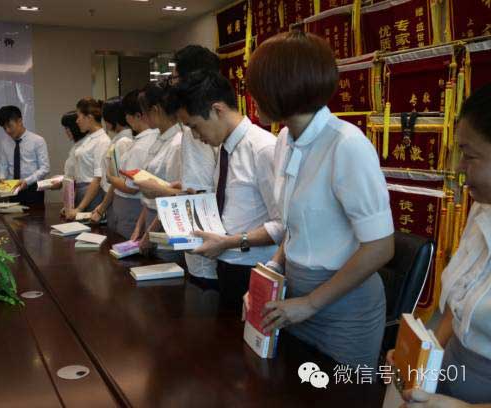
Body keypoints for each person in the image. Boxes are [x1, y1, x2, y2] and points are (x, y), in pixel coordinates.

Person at [247, 31, 394, 369]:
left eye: (257, 90)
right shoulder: (284, 139)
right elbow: (295, 228)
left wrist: (311, 303)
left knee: (341, 391)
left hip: (345, 309)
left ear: (283, 89)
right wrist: (271, 272)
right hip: (296, 299)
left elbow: (380, 247)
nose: (252, 99)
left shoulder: (346, 145)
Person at [388, 84, 491, 407]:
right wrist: (423, 356)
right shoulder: (482, 208)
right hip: (449, 372)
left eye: (469, 156)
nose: (459, 167)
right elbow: (457, 308)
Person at [174, 70, 280, 308]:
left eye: (195, 126)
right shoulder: (226, 148)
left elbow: (283, 226)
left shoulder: (263, 149)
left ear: (217, 110)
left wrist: (229, 242)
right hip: (226, 263)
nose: (196, 136)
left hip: (254, 267)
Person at [171, 45, 222, 289]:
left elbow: (199, 192)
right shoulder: (207, 119)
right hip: (211, 246)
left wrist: (162, 191)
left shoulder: (197, 128)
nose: (173, 85)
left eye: (175, 78)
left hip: (206, 247)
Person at [131, 83, 183, 254]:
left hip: (165, 220)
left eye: (144, 113)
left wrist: (149, 233)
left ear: (155, 110)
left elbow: (173, 198)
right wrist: (140, 225)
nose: (143, 118)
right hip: (151, 215)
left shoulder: (177, 143)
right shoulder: (158, 138)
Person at [107, 89, 159, 239]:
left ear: (138, 115)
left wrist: (110, 178)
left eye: (127, 115)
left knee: (127, 242)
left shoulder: (142, 145)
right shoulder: (143, 140)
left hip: (132, 205)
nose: (126, 119)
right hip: (134, 205)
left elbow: (131, 187)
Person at [62, 98, 111, 221]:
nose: (77, 121)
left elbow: (98, 179)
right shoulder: (89, 138)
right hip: (82, 193)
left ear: (89, 117)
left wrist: (79, 208)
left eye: (79, 117)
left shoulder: (102, 141)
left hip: (92, 195)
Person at [90, 97, 134, 228]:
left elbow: (117, 181)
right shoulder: (118, 140)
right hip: (112, 196)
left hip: (117, 197)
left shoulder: (123, 142)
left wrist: (101, 208)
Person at [0, 105, 50, 206]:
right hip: (13, 189)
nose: (7, 131)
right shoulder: (5, 143)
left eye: (9, 126)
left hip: (33, 188)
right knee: (13, 215)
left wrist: (27, 181)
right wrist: (2, 176)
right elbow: (3, 165)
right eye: (4, 128)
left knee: (35, 216)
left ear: (19, 121)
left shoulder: (37, 141)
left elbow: (45, 168)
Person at [60, 111, 88, 180]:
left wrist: (62, 181)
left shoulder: (85, 146)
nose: (66, 131)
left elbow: (80, 178)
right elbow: (71, 174)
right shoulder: (76, 146)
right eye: (65, 128)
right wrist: (62, 179)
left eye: (67, 128)